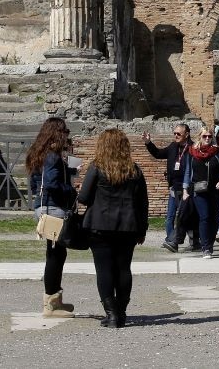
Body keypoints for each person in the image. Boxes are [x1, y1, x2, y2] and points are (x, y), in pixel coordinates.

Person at [77, 128, 148, 328]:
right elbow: (143, 202)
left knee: (104, 270)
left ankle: (111, 314)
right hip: (128, 226)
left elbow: (83, 197)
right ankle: (122, 312)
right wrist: (143, 229)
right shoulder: (134, 169)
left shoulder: (97, 167)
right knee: (124, 269)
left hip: (99, 225)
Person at [26, 117, 78, 318]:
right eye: (65, 131)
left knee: (56, 254)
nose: (66, 136)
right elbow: (51, 184)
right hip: (54, 208)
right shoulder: (52, 157)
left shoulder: (39, 153)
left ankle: (55, 300)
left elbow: (35, 184)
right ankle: (50, 305)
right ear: (57, 133)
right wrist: (72, 192)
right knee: (55, 255)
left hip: (44, 206)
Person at [143, 123, 193, 252]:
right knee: (170, 216)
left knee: (184, 216)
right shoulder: (172, 147)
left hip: (186, 189)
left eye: (178, 134)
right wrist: (148, 143)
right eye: (174, 133)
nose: (175, 136)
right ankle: (170, 240)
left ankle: (192, 240)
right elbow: (158, 154)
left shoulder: (192, 148)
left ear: (186, 134)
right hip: (173, 187)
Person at [182, 128, 219, 258]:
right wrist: (185, 189)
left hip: (215, 190)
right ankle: (205, 247)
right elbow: (187, 172)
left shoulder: (217, 151)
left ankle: (210, 243)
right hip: (198, 190)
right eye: (204, 136)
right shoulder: (192, 152)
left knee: (214, 219)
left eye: (209, 136)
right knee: (204, 217)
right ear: (199, 137)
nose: (207, 138)